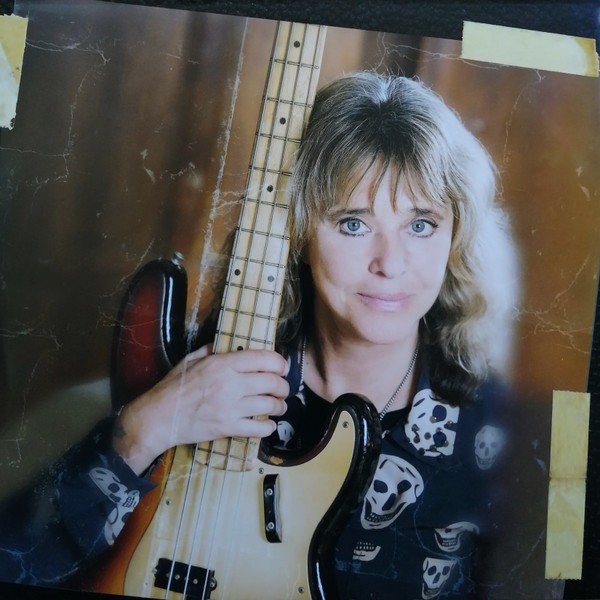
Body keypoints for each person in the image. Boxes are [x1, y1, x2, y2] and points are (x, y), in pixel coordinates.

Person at [0, 72, 525, 598]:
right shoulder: (200, 375)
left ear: (455, 236)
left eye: (421, 224)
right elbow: (15, 563)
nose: (390, 264)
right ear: (296, 232)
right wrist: (146, 427)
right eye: (353, 223)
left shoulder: (495, 431)